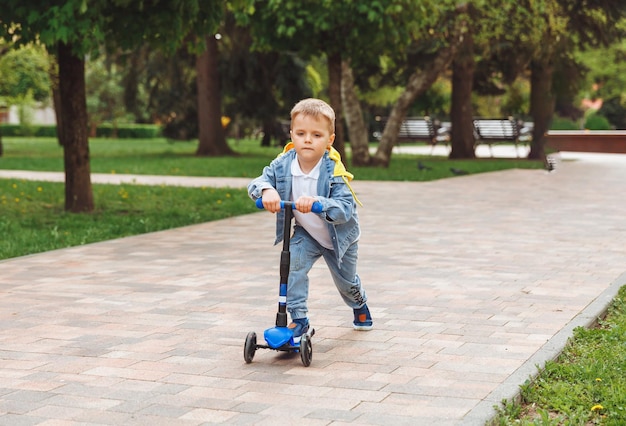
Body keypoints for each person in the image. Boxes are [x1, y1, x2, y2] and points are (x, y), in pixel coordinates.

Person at [248, 98, 372, 342]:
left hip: (339, 238)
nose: (307, 139)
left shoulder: (333, 171)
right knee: (292, 266)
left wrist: (318, 203)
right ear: (292, 134)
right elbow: (258, 181)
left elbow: (345, 208)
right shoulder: (283, 164)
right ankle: (299, 320)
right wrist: (267, 191)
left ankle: (360, 305)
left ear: (329, 140)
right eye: (301, 133)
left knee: (346, 283)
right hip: (307, 234)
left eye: (316, 135)